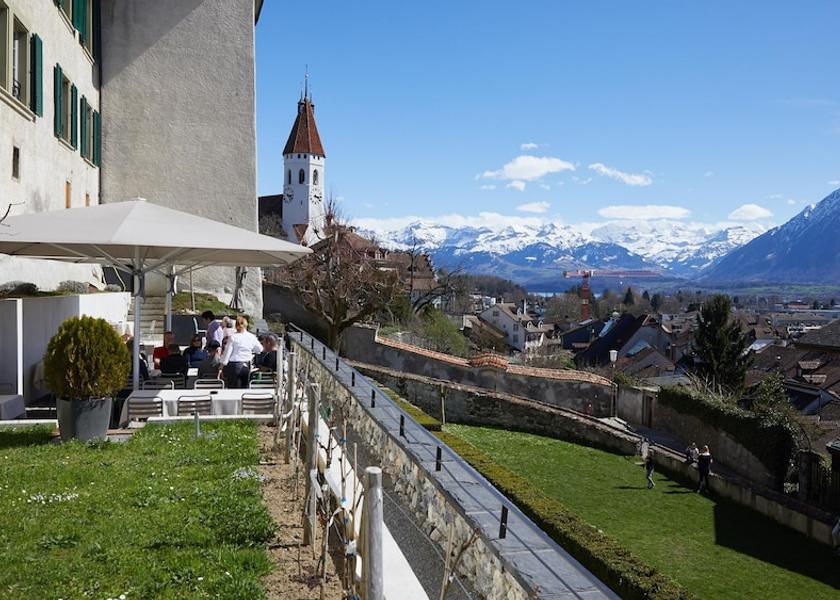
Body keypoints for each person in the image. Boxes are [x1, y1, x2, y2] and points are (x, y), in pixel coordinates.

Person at [220, 316, 263, 389]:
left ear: (236, 326)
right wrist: (251, 350)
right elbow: (260, 349)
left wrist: (221, 366)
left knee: (233, 389)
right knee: (245, 388)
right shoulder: (251, 337)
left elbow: (227, 353)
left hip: (234, 365)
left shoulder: (233, 337)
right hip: (246, 365)